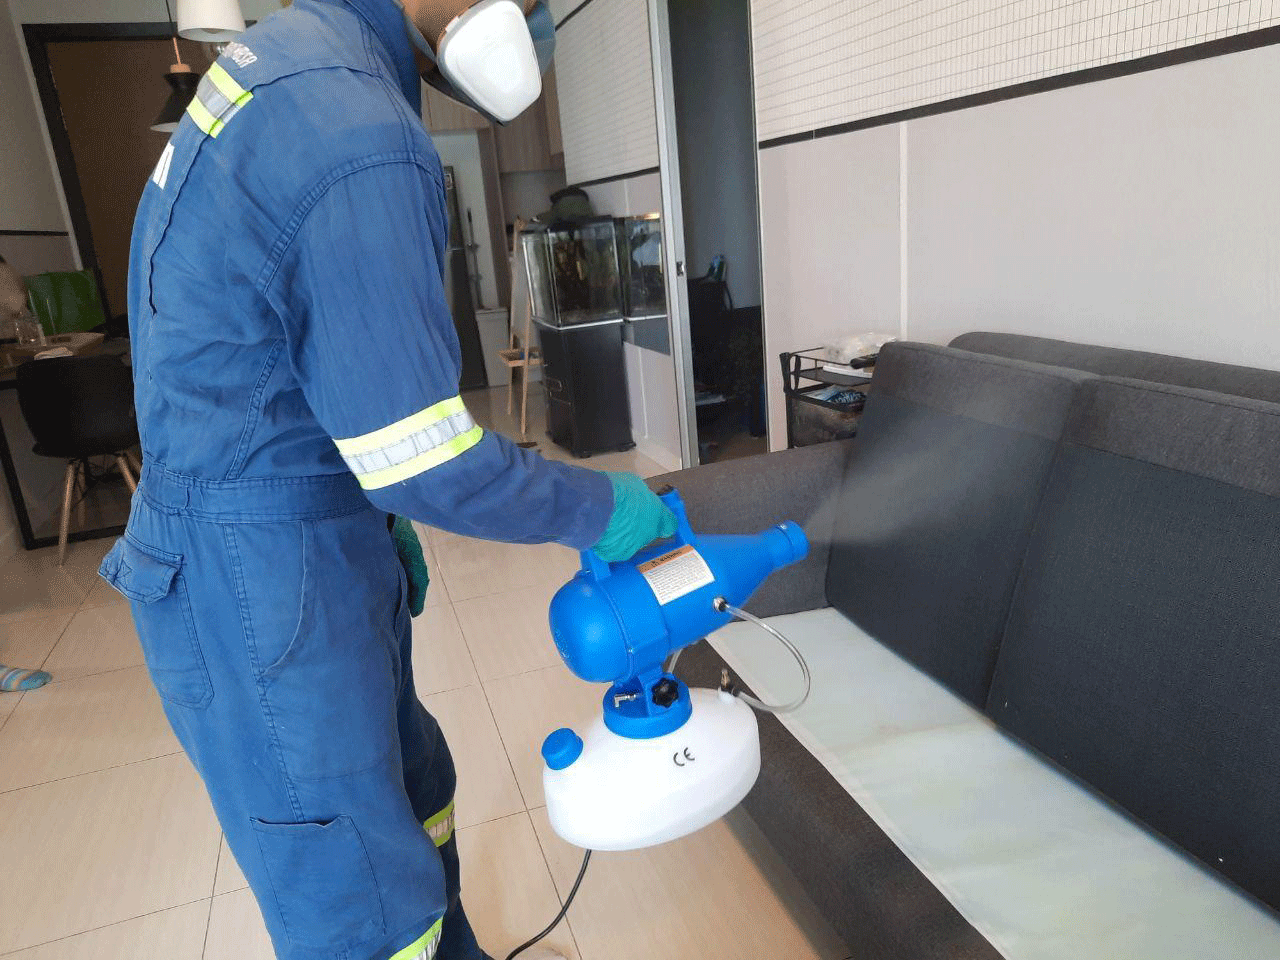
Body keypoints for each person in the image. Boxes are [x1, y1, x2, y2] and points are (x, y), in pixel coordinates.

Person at [102, 2, 676, 959]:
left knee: (412, 784)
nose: (529, 19)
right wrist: (599, 505)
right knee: (357, 896)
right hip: (262, 573)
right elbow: (431, 460)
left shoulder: (286, 65)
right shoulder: (355, 130)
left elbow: (261, 348)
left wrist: (356, 503)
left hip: (298, 528)